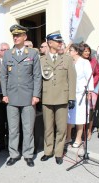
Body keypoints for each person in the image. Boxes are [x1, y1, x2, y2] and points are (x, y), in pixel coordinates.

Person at [0, 24, 42, 167]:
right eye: (14, 35)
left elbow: (37, 76)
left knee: (28, 128)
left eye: (18, 35)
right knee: (12, 128)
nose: (15, 37)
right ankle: (13, 154)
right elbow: (3, 76)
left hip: (28, 96)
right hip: (11, 96)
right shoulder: (7, 54)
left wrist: (36, 95)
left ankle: (28, 154)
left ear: (25, 37)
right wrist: (4, 94)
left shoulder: (33, 54)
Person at [40, 31, 76, 165]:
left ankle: (59, 152)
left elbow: (72, 79)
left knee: (61, 128)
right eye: (58, 41)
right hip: (47, 97)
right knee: (48, 127)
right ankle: (48, 151)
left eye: (61, 41)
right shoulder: (42, 60)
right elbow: (38, 80)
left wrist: (71, 97)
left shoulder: (66, 59)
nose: (61, 43)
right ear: (50, 43)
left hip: (62, 97)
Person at [65, 44, 94, 148]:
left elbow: (89, 77)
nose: (69, 52)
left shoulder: (84, 62)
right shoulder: (69, 61)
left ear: (76, 51)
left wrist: (89, 92)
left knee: (80, 117)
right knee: (68, 117)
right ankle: (68, 137)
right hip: (69, 93)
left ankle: (78, 138)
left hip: (81, 93)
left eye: (70, 50)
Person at [80, 43, 99, 140]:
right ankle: (80, 132)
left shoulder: (93, 61)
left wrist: (92, 85)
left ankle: (89, 131)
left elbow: (97, 74)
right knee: (81, 111)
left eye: (88, 51)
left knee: (91, 111)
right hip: (80, 90)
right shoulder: (78, 61)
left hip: (92, 89)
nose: (87, 52)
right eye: (85, 51)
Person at [0, 42, 10, 154]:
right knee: (0, 122)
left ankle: (11, 145)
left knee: (11, 122)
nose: (5, 51)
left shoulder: (13, 61)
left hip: (11, 96)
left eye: (7, 49)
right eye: (3, 49)